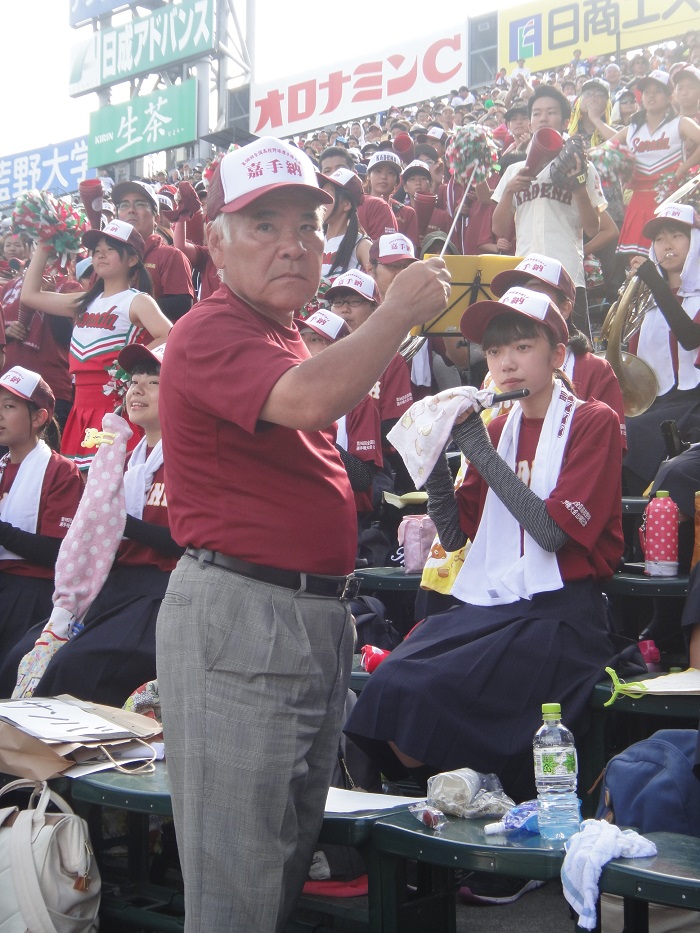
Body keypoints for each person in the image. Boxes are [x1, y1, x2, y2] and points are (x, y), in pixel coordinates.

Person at [155, 136, 451, 933]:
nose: (292, 242)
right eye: (263, 224)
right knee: (236, 892)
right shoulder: (212, 327)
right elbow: (306, 403)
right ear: (214, 243)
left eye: (308, 225)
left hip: (305, 614)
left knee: (278, 867)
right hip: (244, 613)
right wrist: (395, 310)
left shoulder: (283, 330)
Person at [344, 286, 624, 806]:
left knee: (430, 692)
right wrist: (433, 457)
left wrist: (476, 446)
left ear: (557, 354)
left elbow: (552, 533)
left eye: (521, 347)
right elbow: (455, 536)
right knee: (394, 684)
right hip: (497, 604)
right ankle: (462, 804)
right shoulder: (497, 428)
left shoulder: (592, 420)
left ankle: (494, 812)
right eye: (495, 352)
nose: (505, 363)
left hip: (561, 614)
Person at [0, 343, 183, 705]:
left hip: (160, 593)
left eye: (154, 381)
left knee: (74, 669)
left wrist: (116, 520)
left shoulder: (190, 461)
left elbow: (189, 541)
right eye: (134, 381)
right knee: (22, 660)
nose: (138, 389)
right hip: (110, 587)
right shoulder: (123, 461)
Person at [20, 220, 171, 471]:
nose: (100, 254)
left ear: (132, 259)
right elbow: (30, 296)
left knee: (111, 479)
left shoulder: (136, 300)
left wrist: (129, 368)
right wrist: (45, 245)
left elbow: (170, 335)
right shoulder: (84, 300)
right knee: (81, 481)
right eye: (96, 249)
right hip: (81, 404)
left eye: (110, 248)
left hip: (113, 404)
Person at [492, 85, 616, 336]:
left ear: (565, 120)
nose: (543, 118)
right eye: (536, 113)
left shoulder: (582, 166)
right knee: (529, 345)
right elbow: (497, 228)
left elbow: (594, 228)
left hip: (568, 274)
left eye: (551, 112)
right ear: (529, 122)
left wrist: (579, 189)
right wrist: (508, 192)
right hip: (527, 273)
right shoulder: (514, 171)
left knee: (575, 352)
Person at [0, 366, 83, 653]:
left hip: (31, 592)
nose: (0, 414)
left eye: (9, 406)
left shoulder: (62, 471)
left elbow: (56, 553)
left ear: (39, 417)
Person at [623, 204, 700, 494]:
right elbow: (631, 364)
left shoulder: (653, 288)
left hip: (695, 402)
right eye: (659, 239)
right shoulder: (646, 298)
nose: (666, 245)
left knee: (633, 434)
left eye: (677, 235)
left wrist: (655, 283)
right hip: (656, 402)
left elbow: (691, 337)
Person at [606, 71, 700, 259]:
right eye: (646, 92)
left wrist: (683, 169)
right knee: (634, 264)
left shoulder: (680, 123)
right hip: (637, 202)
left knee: (670, 260)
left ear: (668, 97)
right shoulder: (631, 129)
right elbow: (603, 151)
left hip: (669, 200)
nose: (651, 96)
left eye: (657, 91)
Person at [112, 180, 195, 321]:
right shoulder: (107, 257)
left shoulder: (170, 256)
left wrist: (128, 308)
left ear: (156, 218)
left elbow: (182, 306)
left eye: (140, 204)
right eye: (124, 205)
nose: (131, 210)